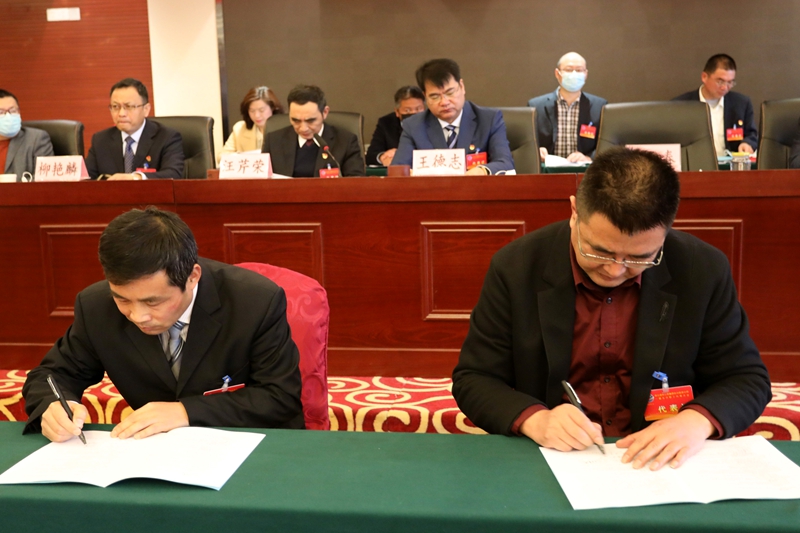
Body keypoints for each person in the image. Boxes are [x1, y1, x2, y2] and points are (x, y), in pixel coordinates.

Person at [452, 147, 770, 471]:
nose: (615, 270)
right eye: (598, 252)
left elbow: (746, 379)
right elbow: (475, 378)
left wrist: (695, 421)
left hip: (660, 461)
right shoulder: (517, 267)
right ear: (574, 212)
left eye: (639, 258)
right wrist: (536, 420)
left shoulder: (702, 269)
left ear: (665, 233)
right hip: (554, 457)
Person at [22, 207, 303, 442]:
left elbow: (280, 397)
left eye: (153, 302)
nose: (137, 316)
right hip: (155, 453)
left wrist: (186, 411)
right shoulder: (96, 306)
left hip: (250, 445)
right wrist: (54, 406)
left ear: (192, 277)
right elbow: (51, 375)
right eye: (122, 299)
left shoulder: (254, 302)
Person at [391, 58, 514, 175]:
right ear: (425, 96)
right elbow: (397, 169)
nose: (444, 102)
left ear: (462, 87)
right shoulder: (413, 126)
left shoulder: (489, 119)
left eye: (450, 93)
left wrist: (482, 171)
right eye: (435, 97)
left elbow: (505, 163)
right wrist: (409, 173)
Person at [86, 78, 185, 180]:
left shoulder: (167, 137)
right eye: (115, 106)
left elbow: (174, 174)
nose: (121, 114)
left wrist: (136, 178)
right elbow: (86, 179)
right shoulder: (100, 140)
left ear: (146, 109)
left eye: (129, 106)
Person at [261, 84, 365, 177]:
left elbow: (356, 182)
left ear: (325, 112)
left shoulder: (345, 141)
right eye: (296, 120)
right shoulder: (273, 141)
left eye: (310, 120)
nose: (303, 128)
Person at [527, 52, 607, 163]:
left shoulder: (600, 106)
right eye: (569, 70)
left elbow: (607, 143)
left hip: (584, 170)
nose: (574, 74)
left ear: (586, 74)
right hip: (548, 169)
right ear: (557, 73)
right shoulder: (536, 106)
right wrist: (536, 151)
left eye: (579, 70)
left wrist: (589, 158)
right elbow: (527, 143)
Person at [673, 54, 757, 156]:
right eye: (720, 81)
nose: (725, 87)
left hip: (730, 163)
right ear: (704, 77)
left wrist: (747, 143)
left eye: (730, 82)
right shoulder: (681, 106)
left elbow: (751, 135)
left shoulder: (741, 103)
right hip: (695, 162)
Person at [219, 86, 284, 161]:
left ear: (273, 108)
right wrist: (241, 157)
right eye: (252, 111)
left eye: (261, 110)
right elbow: (221, 157)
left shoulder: (285, 129)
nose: (257, 115)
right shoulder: (239, 129)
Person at [0, 89, 54, 180]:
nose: (8, 116)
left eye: (13, 111)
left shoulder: (36, 139)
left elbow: (45, 178)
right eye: (1, 112)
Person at [365, 86, 425, 166]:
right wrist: (383, 157)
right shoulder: (386, 123)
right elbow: (371, 154)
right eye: (407, 110)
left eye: (418, 109)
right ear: (397, 112)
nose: (414, 113)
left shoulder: (433, 121)